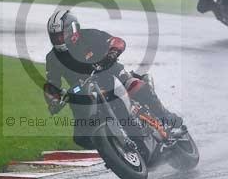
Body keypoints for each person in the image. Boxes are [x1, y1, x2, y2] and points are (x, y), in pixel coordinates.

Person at [44, 9, 184, 150]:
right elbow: (51, 83)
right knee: (81, 136)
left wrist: (111, 54)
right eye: (56, 37)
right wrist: (53, 100)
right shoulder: (52, 58)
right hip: (85, 90)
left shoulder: (90, 35)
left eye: (63, 35)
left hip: (112, 74)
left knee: (135, 86)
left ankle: (166, 117)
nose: (59, 40)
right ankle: (112, 148)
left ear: (74, 29)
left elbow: (117, 42)